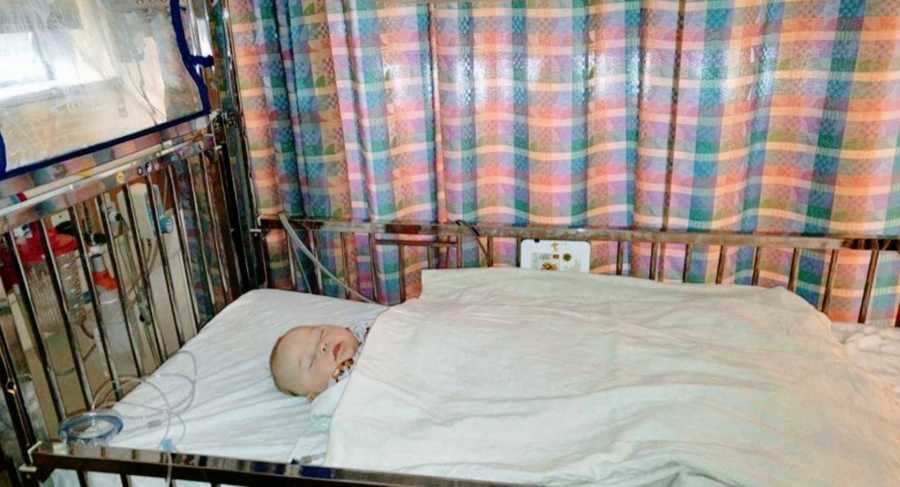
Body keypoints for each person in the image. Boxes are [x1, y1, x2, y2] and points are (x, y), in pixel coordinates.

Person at [269, 322, 369, 399]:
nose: (323, 346)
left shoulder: (368, 328)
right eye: (311, 361)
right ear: (315, 395)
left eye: (320, 334)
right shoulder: (341, 393)